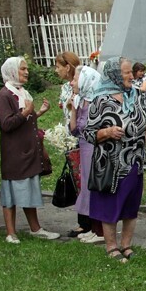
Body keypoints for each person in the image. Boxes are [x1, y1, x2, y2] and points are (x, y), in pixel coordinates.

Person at [82, 57, 146, 263]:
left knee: (131, 203)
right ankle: (111, 247)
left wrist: (144, 136)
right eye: (126, 73)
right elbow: (88, 133)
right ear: (114, 75)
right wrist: (108, 132)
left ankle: (126, 245)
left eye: (130, 72)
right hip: (111, 163)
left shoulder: (136, 95)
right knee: (110, 204)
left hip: (135, 158)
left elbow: (144, 121)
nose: (132, 76)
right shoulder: (100, 100)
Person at [0, 56, 60, 244]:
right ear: (12, 71)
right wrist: (26, 112)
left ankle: (35, 228)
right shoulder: (5, 95)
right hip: (14, 152)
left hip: (28, 150)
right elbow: (6, 124)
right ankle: (11, 232)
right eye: (22, 69)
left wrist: (38, 112)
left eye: (26, 69)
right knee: (11, 190)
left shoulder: (21, 92)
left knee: (30, 188)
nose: (26, 72)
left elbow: (25, 120)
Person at [54, 51, 90, 238]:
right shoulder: (65, 88)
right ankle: (83, 220)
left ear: (67, 67)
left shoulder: (80, 84)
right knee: (78, 180)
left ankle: (87, 222)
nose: (56, 70)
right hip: (71, 135)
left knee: (83, 179)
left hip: (81, 137)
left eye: (58, 67)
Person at [68, 65, 105, 244]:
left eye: (75, 79)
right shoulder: (81, 101)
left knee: (94, 186)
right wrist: (73, 108)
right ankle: (94, 227)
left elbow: (92, 129)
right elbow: (74, 130)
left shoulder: (95, 103)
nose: (72, 82)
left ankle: (100, 231)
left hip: (93, 149)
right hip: (84, 147)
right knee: (87, 187)